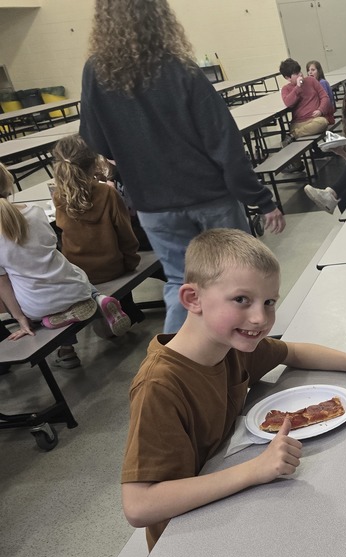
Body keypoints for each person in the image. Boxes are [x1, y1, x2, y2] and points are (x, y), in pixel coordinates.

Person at [120, 228, 346, 549]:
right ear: (193, 299)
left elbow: (291, 352)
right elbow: (139, 506)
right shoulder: (160, 385)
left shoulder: (231, 344)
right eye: (241, 300)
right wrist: (255, 470)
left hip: (229, 504)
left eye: (269, 302)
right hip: (188, 538)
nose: (260, 318)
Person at [80, 0, 284, 335]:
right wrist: (262, 200)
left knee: (182, 284)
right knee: (241, 282)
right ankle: (248, 358)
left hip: (153, 206)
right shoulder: (180, 69)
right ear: (158, 16)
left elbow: (95, 141)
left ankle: (178, 372)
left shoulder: (95, 72)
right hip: (211, 198)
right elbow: (226, 144)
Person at [0, 162, 131, 364]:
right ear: (8, 183)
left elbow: (3, 285)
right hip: (74, 288)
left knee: (25, 291)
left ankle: (67, 351)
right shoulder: (35, 212)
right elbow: (53, 243)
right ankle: (97, 299)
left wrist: (20, 319)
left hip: (37, 306)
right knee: (70, 267)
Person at [51, 134, 142, 367]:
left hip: (79, 275)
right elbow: (126, 234)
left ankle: (70, 346)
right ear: (94, 163)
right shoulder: (107, 193)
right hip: (112, 267)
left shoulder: (59, 196)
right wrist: (131, 262)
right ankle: (113, 316)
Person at [280, 57, 332, 137]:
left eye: (300, 71)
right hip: (299, 123)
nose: (300, 74)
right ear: (288, 78)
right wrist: (297, 87)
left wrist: (320, 110)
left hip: (315, 119)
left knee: (322, 122)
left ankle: (293, 135)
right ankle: (295, 133)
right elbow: (288, 103)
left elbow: (324, 97)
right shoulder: (286, 89)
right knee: (321, 123)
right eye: (296, 74)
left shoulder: (311, 80)